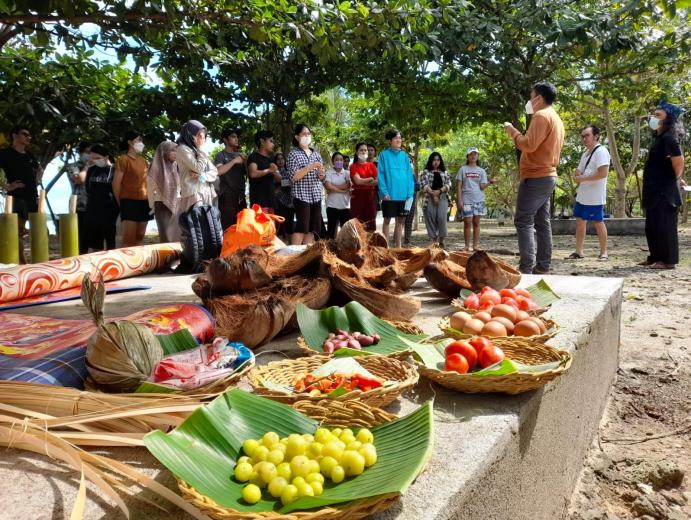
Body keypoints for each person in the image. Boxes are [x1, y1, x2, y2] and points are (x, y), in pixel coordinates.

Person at [503, 82, 565, 274]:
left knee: (523, 220)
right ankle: (543, 266)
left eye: (531, 97)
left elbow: (529, 145)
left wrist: (513, 132)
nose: (529, 101)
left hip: (536, 176)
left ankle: (526, 268)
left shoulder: (541, 116)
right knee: (542, 222)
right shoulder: (556, 118)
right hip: (547, 176)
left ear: (538, 98)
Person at [639, 101, 686, 270]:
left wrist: (674, 179)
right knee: (653, 226)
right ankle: (655, 257)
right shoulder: (659, 138)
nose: (654, 118)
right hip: (653, 190)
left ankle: (668, 260)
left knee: (665, 226)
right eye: (654, 114)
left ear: (668, 118)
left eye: (658, 115)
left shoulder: (669, 138)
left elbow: (679, 161)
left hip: (664, 191)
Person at [568, 124, 611, 260]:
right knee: (580, 221)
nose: (584, 138)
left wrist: (583, 178)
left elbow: (603, 173)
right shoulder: (585, 154)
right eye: (582, 136)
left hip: (594, 196)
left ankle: (604, 252)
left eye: (587, 135)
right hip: (582, 195)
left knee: (598, 222)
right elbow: (578, 170)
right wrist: (578, 176)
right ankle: (579, 251)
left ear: (596, 136)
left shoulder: (601, 151)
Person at [0, 126, 42, 263]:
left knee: (41, 231)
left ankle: (39, 264)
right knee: (17, 232)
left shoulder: (29, 155)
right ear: (15, 136)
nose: (29, 137)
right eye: (25, 134)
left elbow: (37, 172)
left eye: (29, 135)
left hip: (32, 197)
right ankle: (22, 264)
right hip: (17, 197)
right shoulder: (5, 153)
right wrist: (7, 186)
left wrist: (37, 180)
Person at [286, 124, 325, 245]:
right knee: (301, 227)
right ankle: (293, 253)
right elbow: (294, 177)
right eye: (304, 134)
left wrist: (321, 174)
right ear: (297, 137)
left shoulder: (316, 154)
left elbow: (322, 177)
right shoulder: (293, 154)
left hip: (316, 195)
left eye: (308, 133)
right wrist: (310, 166)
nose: (307, 136)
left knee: (312, 228)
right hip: (301, 195)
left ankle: (306, 253)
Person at [377, 128, 415, 247]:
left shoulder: (405, 156)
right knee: (387, 220)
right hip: (389, 194)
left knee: (400, 220)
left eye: (399, 138)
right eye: (396, 138)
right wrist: (384, 192)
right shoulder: (383, 155)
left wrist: (410, 193)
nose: (399, 140)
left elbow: (409, 175)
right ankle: (386, 247)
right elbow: (380, 175)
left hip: (403, 195)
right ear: (390, 141)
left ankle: (398, 247)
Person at [113, 130, 151, 247]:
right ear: (130, 142)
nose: (141, 143)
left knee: (140, 237)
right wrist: (121, 203)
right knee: (128, 240)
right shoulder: (123, 159)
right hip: (129, 202)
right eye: (139, 139)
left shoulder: (144, 161)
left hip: (145, 203)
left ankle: (139, 260)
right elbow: (116, 184)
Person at [176, 120, 218, 212]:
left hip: (206, 193)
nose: (202, 139)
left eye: (203, 136)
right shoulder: (183, 149)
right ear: (190, 134)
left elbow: (214, 172)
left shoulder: (197, 151)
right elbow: (199, 168)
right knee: (196, 220)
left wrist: (202, 176)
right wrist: (201, 148)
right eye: (199, 135)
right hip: (193, 194)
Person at [84, 144, 119, 251]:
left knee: (111, 242)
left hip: (110, 211)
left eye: (98, 158)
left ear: (106, 157)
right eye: (93, 158)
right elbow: (88, 189)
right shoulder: (91, 170)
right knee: (95, 245)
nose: (95, 160)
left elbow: (117, 189)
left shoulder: (115, 169)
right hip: (93, 211)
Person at [457, 147, 490, 251]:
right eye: (471, 154)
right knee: (467, 223)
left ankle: (475, 246)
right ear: (467, 156)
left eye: (475, 154)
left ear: (478, 156)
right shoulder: (463, 169)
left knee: (476, 223)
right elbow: (459, 186)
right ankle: (466, 246)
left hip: (479, 200)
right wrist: (459, 200)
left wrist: (489, 182)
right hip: (466, 199)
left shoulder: (481, 171)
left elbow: (482, 187)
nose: (473, 156)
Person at [147, 141, 181, 243]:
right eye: (172, 150)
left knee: (177, 239)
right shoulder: (156, 168)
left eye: (177, 150)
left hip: (178, 206)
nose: (176, 153)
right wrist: (152, 206)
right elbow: (150, 188)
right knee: (167, 238)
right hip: (162, 205)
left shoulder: (176, 166)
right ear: (164, 152)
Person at [214, 128, 247, 229]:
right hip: (226, 196)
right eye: (233, 137)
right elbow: (218, 171)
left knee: (242, 227)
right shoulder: (220, 155)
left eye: (237, 137)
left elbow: (249, 175)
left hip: (241, 196)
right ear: (225, 140)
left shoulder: (241, 156)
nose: (236, 139)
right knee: (228, 228)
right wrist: (234, 161)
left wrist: (246, 162)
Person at [421, 152, 452, 248]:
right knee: (430, 219)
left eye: (438, 160)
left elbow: (448, 184)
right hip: (429, 197)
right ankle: (434, 241)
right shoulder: (425, 172)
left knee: (442, 218)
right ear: (431, 161)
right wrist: (433, 195)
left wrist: (439, 192)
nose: (436, 162)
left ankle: (441, 240)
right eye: (434, 160)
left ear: (440, 161)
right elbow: (424, 184)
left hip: (442, 197)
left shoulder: (445, 172)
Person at [66, 142, 91, 254]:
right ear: (81, 153)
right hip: (79, 206)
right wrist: (87, 167)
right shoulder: (73, 166)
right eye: (88, 152)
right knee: (80, 239)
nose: (90, 155)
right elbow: (79, 179)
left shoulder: (96, 167)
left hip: (93, 206)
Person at [247, 130, 281, 212]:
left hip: (271, 202)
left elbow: (279, 179)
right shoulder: (254, 156)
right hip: (259, 203)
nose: (273, 144)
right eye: (271, 141)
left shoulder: (271, 159)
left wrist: (275, 171)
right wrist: (269, 170)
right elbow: (252, 173)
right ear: (262, 141)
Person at [349, 142, 378, 231]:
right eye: (361, 150)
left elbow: (377, 182)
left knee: (371, 221)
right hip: (357, 196)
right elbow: (358, 181)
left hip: (370, 195)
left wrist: (362, 182)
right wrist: (370, 179)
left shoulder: (372, 165)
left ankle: (370, 240)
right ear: (357, 152)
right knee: (357, 222)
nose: (364, 152)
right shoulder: (353, 166)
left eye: (365, 150)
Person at [324, 152, 351, 238]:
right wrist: (342, 191)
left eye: (341, 159)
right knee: (331, 233)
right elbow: (328, 186)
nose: (339, 161)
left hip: (345, 206)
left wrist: (333, 187)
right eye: (336, 159)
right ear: (333, 161)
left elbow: (347, 185)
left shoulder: (347, 173)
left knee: (346, 233)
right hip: (332, 206)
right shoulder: (328, 173)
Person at [274, 152, 294, 240]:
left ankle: (290, 244)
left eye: (282, 159)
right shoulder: (273, 172)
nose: (280, 161)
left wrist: (281, 182)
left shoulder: (289, 171)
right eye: (278, 159)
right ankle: (280, 244)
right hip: (277, 201)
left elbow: (291, 183)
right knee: (279, 225)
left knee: (289, 225)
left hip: (289, 201)